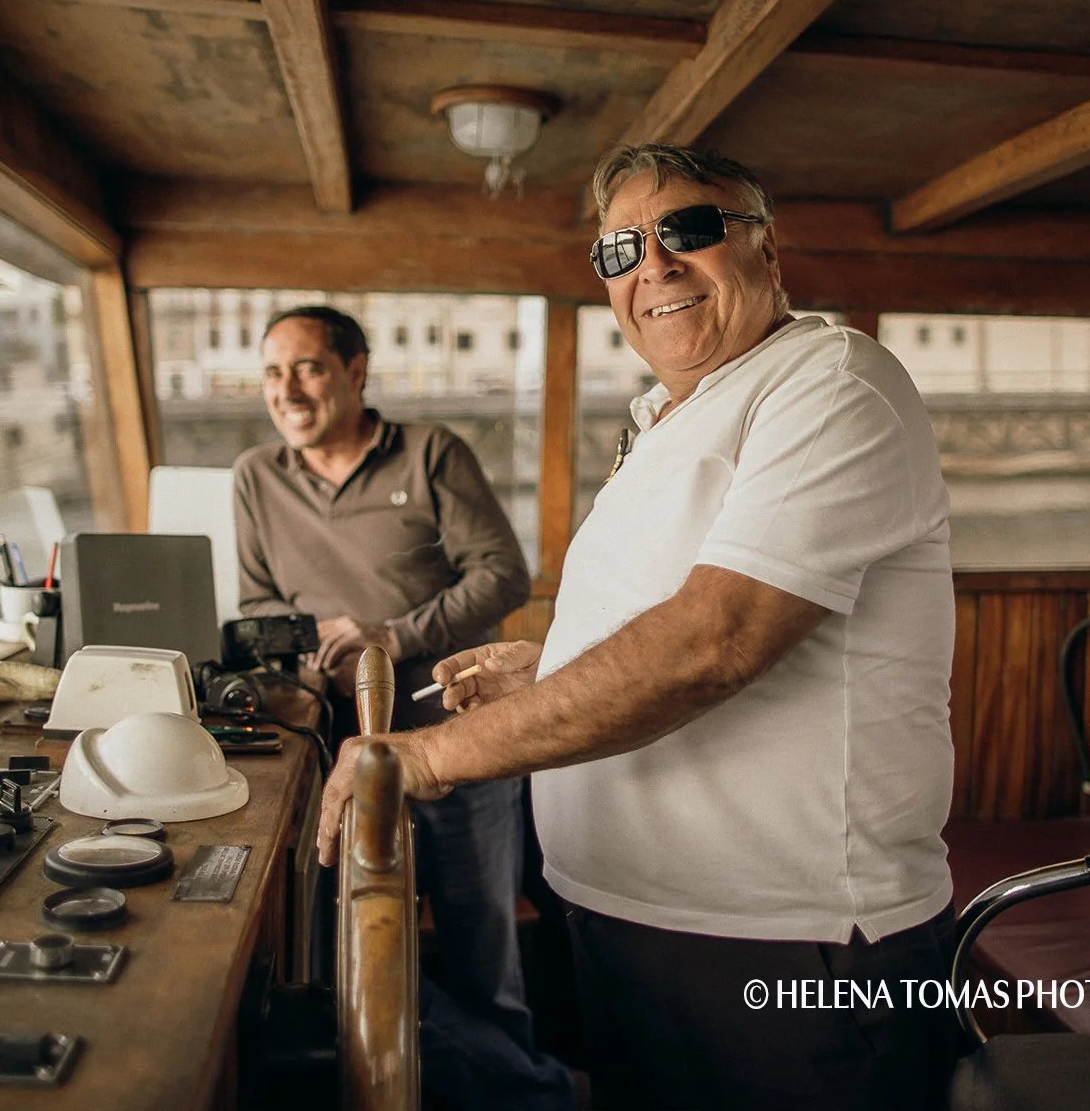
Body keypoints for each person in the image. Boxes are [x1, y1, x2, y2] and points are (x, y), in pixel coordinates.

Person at [315, 146, 962, 1110]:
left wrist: (425, 758)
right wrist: (554, 668)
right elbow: (682, 615)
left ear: (766, 251)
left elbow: (716, 640)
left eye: (689, 231)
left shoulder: (830, 382)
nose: (652, 264)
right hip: (635, 919)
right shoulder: (668, 417)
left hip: (791, 939)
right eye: (620, 248)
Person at [231, 305, 574, 1111]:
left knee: (479, 959)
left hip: (461, 740)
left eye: (308, 367)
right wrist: (304, 653)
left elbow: (501, 576)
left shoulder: (429, 453)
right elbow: (256, 604)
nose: (288, 389)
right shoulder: (255, 474)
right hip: (335, 758)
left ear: (356, 372)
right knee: (354, 955)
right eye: (274, 372)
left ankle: (532, 1098)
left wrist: (388, 633)